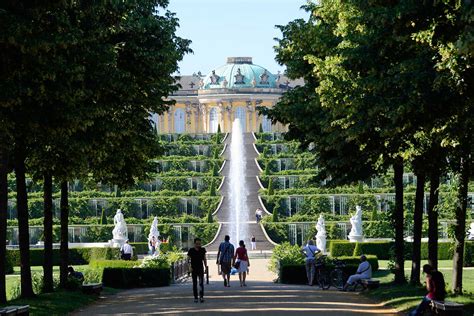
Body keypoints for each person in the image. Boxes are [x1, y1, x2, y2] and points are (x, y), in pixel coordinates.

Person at [187, 238, 207, 303]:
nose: (198, 245)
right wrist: (189, 267)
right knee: (194, 284)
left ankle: (201, 297)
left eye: (199, 244)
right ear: (194, 243)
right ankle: (195, 297)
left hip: (200, 268)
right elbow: (188, 260)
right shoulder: (191, 250)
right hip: (193, 269)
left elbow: (204, 259)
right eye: (197, 244)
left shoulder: (202, 250)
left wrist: (206, 267)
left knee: (201, 283)